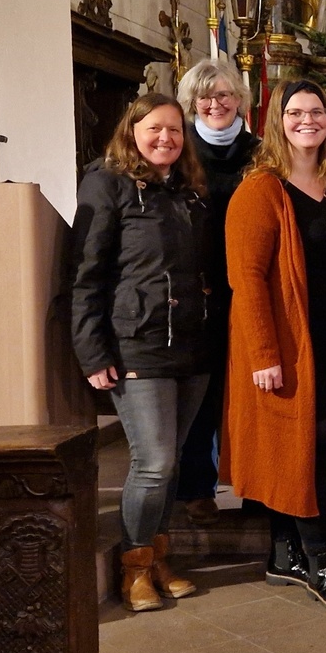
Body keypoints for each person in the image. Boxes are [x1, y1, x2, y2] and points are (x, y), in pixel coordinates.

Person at [222, 79, 326, 613]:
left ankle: (285, 554)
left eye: (317, 112)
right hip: (285, 345)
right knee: (306, 449)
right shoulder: (260, 190)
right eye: (296, 113)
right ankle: (323, 562)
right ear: (277, 123)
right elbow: (246, 280)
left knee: (309, 448)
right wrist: (264, 355)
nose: (308, 121)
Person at [71, 93, 209, 612]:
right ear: (132, 130)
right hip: (136, 343)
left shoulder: (189, 190)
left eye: (174, 129)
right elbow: (85, 275)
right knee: (153, 462)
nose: (165, 138)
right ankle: (134, 566)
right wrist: (92, 352)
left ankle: (157, 559)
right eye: (155, 128)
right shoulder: (107, 183)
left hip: (191, 344)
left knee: (172, 463)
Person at [172, 59, 259, 528]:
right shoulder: (180, 152)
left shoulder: (261, 152)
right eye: (204, 96)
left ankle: (256, 484)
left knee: (251, 389)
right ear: (192, 103)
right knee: (201, 392)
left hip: (250, 283)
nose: (214, 103)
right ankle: (196, 487)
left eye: (224, 94)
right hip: (199, 285)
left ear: (239, 100)